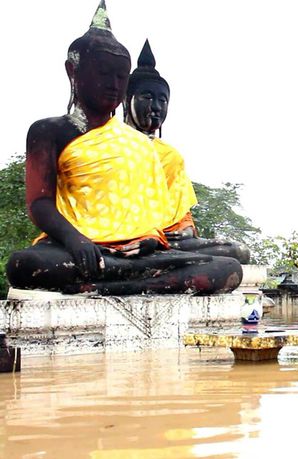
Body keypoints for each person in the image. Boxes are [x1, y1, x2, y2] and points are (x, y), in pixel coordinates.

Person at [5, 1, 241, 295]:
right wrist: (75, 240)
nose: (114, 84)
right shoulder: (49, 131)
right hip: (77, 247)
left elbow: (153, 214)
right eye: (104, 73)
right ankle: (131, 281)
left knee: (227, 268)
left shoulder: (139, 144)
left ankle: (112, 286)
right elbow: (40, 205)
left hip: (136, 252)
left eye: (120, 76)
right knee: (23, 265)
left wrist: (150, 239)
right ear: (73, 71)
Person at [124, 39, 250, 263]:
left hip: (165, 240)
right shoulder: (110, 145)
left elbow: (180, 213)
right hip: (119, 235)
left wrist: (186, 230)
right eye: (147, 97)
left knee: (237, 252)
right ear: (126, 100)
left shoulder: (170, 156)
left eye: (162, 100)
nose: (156, 107)